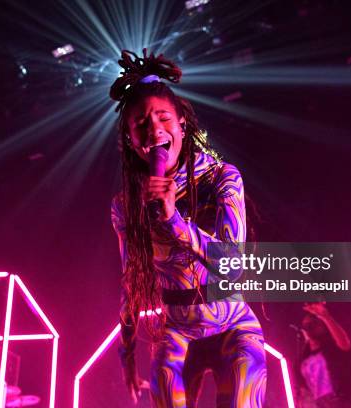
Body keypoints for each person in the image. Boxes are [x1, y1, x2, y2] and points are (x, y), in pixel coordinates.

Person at [109, 49, 266, 407]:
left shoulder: (223, 178)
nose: (154, 130)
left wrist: (173, 220)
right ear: (131, 140)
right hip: (176, 332)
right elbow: (131, 284)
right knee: (165, 383)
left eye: (163, 117)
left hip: (233, 325)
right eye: (141, 124)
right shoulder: (126, 207)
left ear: (182, 123)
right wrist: (127, 356)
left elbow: (232, 264)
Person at [295, 303, 351, 408]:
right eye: (307, 325)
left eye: (314, 323)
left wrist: (325, 316)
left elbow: (344, 342)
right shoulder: (304, 358)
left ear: (323, 326)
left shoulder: (334, 349)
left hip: (345, 403)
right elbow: (305, 391)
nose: (310, 327)